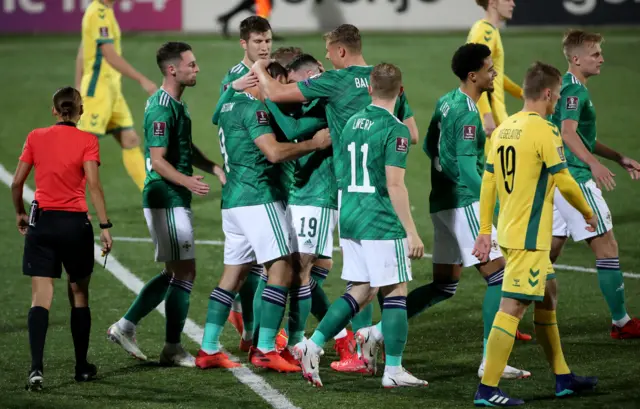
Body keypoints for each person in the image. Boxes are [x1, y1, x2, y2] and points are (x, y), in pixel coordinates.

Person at [358, 43, 529, 381]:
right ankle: (490, 360)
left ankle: (374, 333)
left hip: (442, 203)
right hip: (464, 202)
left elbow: (433, 146)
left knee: (444, 285)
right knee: (500, 276)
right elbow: (467, 168)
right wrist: (496, 200)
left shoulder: (446, 101)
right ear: (473, 75)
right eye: (490, 69)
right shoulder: (467, 112)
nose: (494, 73)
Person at [252, 24, 419, 371]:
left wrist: (256, 68)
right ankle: (365, 353)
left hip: (348, 193)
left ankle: (299, 341)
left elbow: (276, 95)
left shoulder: (335, 82)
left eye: (329, 51)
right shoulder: (383, 82)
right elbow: (412, 133)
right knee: (378, 282)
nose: (326, 57)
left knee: (347, 278)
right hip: (382, 186)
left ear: (341, 51)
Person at [472, 61, 598, 407]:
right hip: (529, 237)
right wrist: (587, 212)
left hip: (512, 230)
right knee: (512, 307)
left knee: (548, 294)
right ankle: (487, 389)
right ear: (547, 94)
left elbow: (489, 182)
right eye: (556, 96)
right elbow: (565, 180)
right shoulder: (545, 130)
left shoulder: (504, 128)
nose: (557, 101)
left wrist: (486, 230)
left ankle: (562, 377)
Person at [292, 63, 426, 388]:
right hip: (378, 219)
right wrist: (410, 230)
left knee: (361, 290)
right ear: (401, 91)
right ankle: (393, 370)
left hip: (350, 216)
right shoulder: (396, 129)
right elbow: (395, 185)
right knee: (396, 290)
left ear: (369, 89)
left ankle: (311, 345)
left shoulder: (351, 122)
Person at [197, 62, 331, 372]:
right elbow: (272, 152)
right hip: (259, 198)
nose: (277, 91)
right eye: (275, 82)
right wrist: (315, 144)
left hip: (233, 203)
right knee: (282, 267)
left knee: (234, 275)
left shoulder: (229, 105)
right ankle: (266, 348)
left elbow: (218, 113)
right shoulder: (253, 110)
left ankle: (208, 347)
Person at [107, 42, 226, 367]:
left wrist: (212, 167)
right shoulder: (161, 107)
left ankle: (126, 326)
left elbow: (184, 146)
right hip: (165, 195)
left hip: (173, 195)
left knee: (176, 270)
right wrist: (188, 181)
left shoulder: (176, 105)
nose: (197, 68)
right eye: (191, 64)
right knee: (185, 271)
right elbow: (157, 161)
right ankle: (172, 346)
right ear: (172, 69)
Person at [12, 87, 113, 390]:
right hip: (75, 226)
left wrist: (19, 213)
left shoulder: (35, 136)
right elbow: (93, 186)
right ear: (80, 111)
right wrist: (105, 225)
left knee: (40, 298)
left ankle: (36, 370)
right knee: (79, 296)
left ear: (54, 110)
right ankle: (81, 367)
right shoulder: (88, 141)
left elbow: (17, 183)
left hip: (43, 224)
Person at [550, 29, 640, 339]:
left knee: (544, 255)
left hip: (555, 178)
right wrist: (593, 164)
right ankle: (621, 322)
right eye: (595, 54)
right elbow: (568, 132)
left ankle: (504, 311)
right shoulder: (576, 92)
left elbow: (582, 136)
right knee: (607, 246)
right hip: (575, 180)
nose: (602, 59)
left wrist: (616, 156)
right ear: (576, 59)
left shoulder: (564, 86)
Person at [219, 16, 275, 343]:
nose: (265, 46)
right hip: (251, 179)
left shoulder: (267, 72)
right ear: (244, 43)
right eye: (257, 42)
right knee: (262, 265)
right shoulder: (238, 79)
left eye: (267, 40)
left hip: (266, 176)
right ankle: (254, 333)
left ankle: (249, 326)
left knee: (256, 264)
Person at [75, 0, 158, 191]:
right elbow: (109, 55)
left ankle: (152, 194)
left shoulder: (105, 11)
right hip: (98, 91)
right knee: (81, 149)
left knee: (130, 139)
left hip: (112, 90)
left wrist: (78, 83)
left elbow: (83, 47)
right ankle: (60, 200)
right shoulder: (99, 13)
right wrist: (141, 79)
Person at [467, 0, 524, 139]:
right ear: (492, 2)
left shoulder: (485, 29)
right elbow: (477, 72)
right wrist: (487, 115)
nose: (513, 4)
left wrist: (522, 93)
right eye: (507, 0)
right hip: (491, 121)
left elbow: (494, 75)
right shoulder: (486, 32)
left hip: (489, 117)